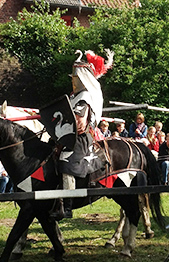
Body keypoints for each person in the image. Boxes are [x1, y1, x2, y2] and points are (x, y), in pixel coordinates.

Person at [51, 49, 113, 220]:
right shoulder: (74, 96)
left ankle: (68, 206)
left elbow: (79, 123)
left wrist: (61, 128)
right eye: (73, 78)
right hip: (67, 135)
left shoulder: (84, 97)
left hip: (80, 137)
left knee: (66, 162)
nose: (73, 81)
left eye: (76, 78)